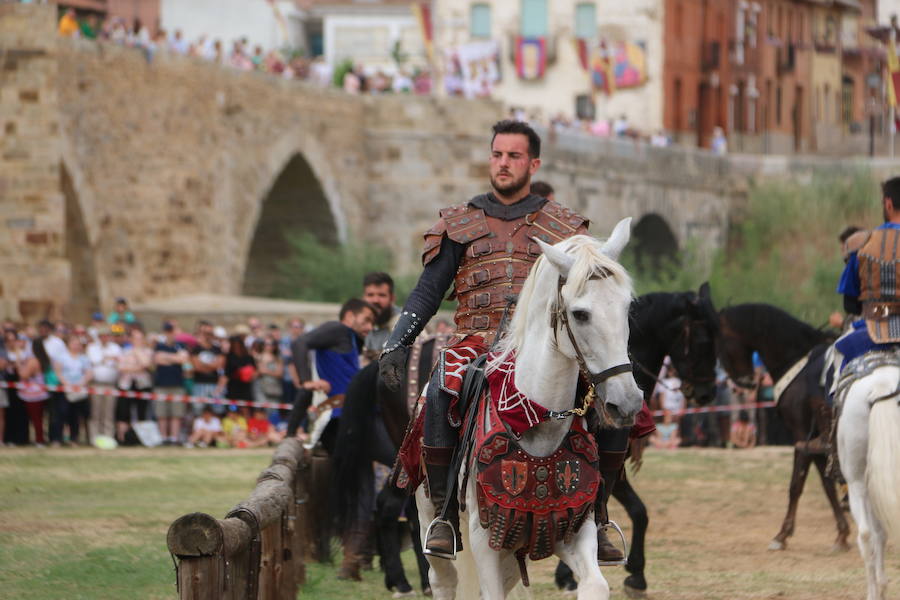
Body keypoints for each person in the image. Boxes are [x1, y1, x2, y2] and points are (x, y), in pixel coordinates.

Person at [379, 119, 639, 561]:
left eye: (513, 156)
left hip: (543, 346)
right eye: (497, 154)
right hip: (474, 343)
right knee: (442, 385)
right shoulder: (459, 222)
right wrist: (397, 341)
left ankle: (597, 513)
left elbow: (597, 291)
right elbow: (428, 290)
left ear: (533, 163)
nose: (503, 163)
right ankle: (444, 514)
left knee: (615, 401)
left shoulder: (564, 225)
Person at [828, 176, 900, 455]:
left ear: (888, 203)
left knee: (835, 362)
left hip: (873, 330)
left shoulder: (865, 245)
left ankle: (834, 446)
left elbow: (848, 303)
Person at [286, 299, 375, 450]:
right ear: (349, 316)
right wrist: (307, 381)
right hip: (337, 419)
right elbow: (300, 343)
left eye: (372, 322)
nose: (370, 327)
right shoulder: (337, 329)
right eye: (366, 320)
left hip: (350, 415)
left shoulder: (352, 338)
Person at [115, 328, 153, 444]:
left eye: (140, 338)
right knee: (123, 413)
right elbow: (120, 367)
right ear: (130, 339)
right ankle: (122, 438)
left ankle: (141, 439)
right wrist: (137, 368)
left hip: (142, 385)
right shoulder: (124, 351)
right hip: (126, 385)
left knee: (142, 413)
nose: (138, 340)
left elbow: (146, 364)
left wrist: (137, 351)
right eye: (135, 338)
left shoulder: (147, 351)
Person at [154, 322, 189, 445]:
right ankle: (163, 438)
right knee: (161, 413)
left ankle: (174, 438)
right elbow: (157, 359)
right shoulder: (159, 345)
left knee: (176, 413)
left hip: (177, 384)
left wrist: (167, 358)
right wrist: (175, 358)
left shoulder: (181, 345)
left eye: (171, 330)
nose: (170, 333)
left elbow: (183, 359)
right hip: (161, 384)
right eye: (167, 331)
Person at [57, 335, 93, 445]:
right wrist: (66, 384)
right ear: (68, 344)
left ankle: (74, 438)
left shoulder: (84, 358)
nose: (76, 346)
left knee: (76, 416)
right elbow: (58, 371)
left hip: (79, 389)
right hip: (65, 389)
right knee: (62, 414)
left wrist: (80, 384)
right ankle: (59, 438)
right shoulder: (62, 357)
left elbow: (88, 373)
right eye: (73, 343)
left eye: (78, 344)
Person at [87, 327, 121, 441]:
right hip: (96, 384)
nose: (104, 338)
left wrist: (106, 359)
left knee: (109, 413)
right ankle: (94, 437)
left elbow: (117, 362)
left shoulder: (115, 347)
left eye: (106, 335)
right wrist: (107, 358)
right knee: (96, 412)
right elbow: (94, 361)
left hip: (111, 385)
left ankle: (108, 436)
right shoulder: (92, 347)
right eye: (102, 336)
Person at [16, 338, 51, 446]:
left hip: (33, 394)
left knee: (36, 418)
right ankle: (39, 439)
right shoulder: (42, 358)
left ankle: (39, 440)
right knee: (39, 418)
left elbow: (24, 375)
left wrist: (18, 363)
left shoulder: (33, 360)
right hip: (40, 392)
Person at [362, 272, 400, 360]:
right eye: (370, 295)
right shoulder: (360, 323)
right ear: (363, 298)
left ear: (392, 299)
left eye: (382, 295)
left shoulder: (403, 324)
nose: (375, 300)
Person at [190, 321, 225, 415]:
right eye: (206, 334)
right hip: (199, 383)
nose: (208, 336)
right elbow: (196, 367)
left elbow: (219, 365)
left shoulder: (217, 349)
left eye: (210, 334)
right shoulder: (196, 349)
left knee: (218, 410)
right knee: (198, 410)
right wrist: (212, 365)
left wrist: (203, 364)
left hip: (214, 384)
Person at [222, 333, 256, 415]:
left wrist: (248, 374)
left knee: (245, 409)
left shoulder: (248, 357)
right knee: (233, 410)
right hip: (233, 388)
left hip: (245, 387)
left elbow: (255, 370)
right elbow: (226, 373)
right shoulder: (229, 357)